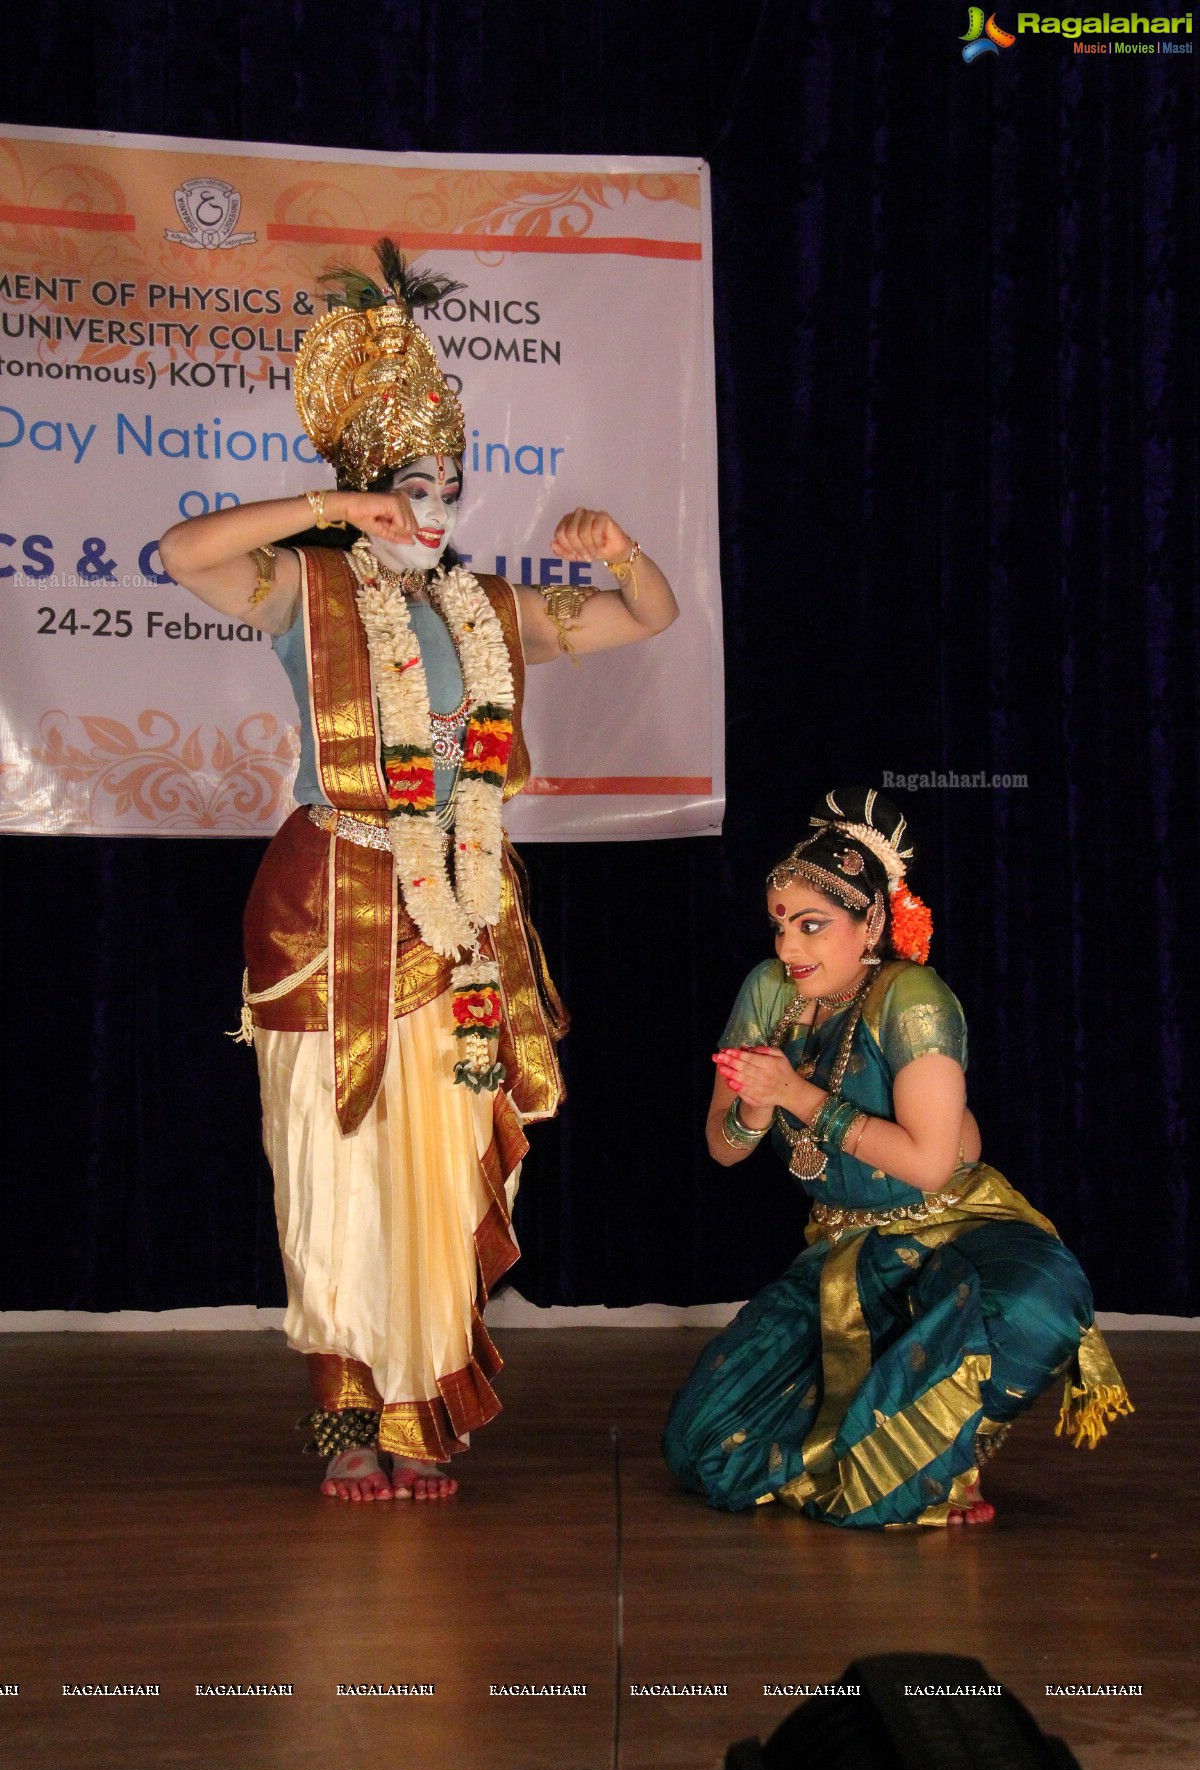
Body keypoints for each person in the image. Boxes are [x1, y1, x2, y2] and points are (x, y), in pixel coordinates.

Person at [159, 243, 678, 1501]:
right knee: (340, 1167)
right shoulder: (309, 589)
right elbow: (183, 554)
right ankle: (347, 1418)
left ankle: (418, 1413)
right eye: (405, 488)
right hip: (328, 908)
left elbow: (646, 617)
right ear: (360, 493)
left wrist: (617, 551)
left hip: (459, 911)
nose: (430, 508)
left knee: (442, 1161)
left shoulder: (487, 610)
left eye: (446, 486)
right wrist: (328, 515)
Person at [663, 788, 1130, 1528]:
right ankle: (893, 1454)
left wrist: (797, 1093)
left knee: (1038, 1300)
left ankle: (945, 1455)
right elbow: (723, 1150)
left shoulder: (911, 998)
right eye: (782, 924)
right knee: (703, 1443)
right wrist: (755, 1104)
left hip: (953, 1231)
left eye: (813, 927)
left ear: (871, 922)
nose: (789, 948)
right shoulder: (768, 991)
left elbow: (931, 1166)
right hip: (845, 1248)